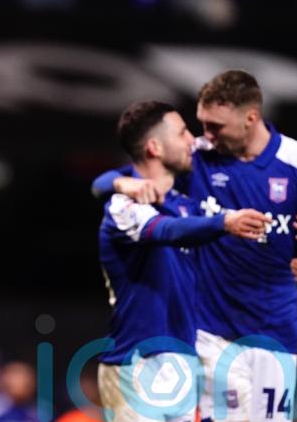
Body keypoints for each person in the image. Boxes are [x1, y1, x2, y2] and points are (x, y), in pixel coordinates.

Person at [93, 71, 297, 422]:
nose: (203, 136)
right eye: (198, 126)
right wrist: (121, 182)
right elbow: (115, 182)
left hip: (274, 331)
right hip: (208, 333)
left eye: (214, 126)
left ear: (251, 118)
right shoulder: (198, 158)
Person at [96, 101, 269, 422]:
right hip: (137, 363)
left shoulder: (184, 203)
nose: (192, 139)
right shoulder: (122, 206)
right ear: (154, 147)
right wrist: (224, 222)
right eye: (182, 132)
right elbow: (166, 231)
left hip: (184, 362)